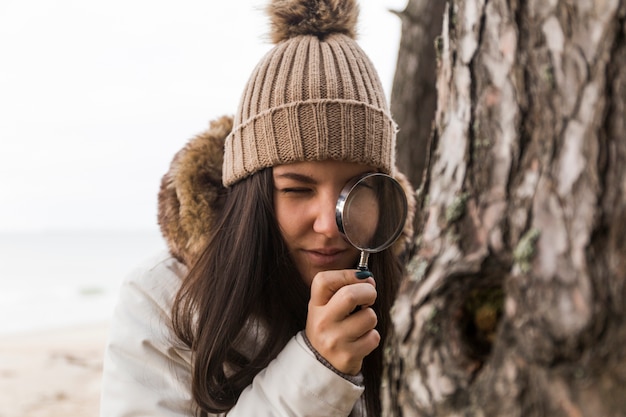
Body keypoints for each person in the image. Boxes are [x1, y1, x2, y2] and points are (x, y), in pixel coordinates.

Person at [100, 0, 415, 416]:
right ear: (255, 193)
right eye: (298, 190)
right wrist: (316, 371)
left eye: (356, 190)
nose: (328, 224)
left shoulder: (420, 289)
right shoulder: (163, 300)